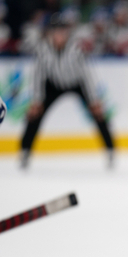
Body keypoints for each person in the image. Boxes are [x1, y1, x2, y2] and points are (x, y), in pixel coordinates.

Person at [20, 12, 115, 169]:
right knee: (35, 116)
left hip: (76, 83)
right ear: (50, 32)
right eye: (56, 31)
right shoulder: (43, 49)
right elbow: (38, 76)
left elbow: (86, 75)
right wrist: (37, 100)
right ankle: (25, 152)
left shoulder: (76, 49)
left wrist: (93, 100)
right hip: (53, 85)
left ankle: (110, 150)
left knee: (98, 114)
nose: (59, 35)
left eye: (62, 31)